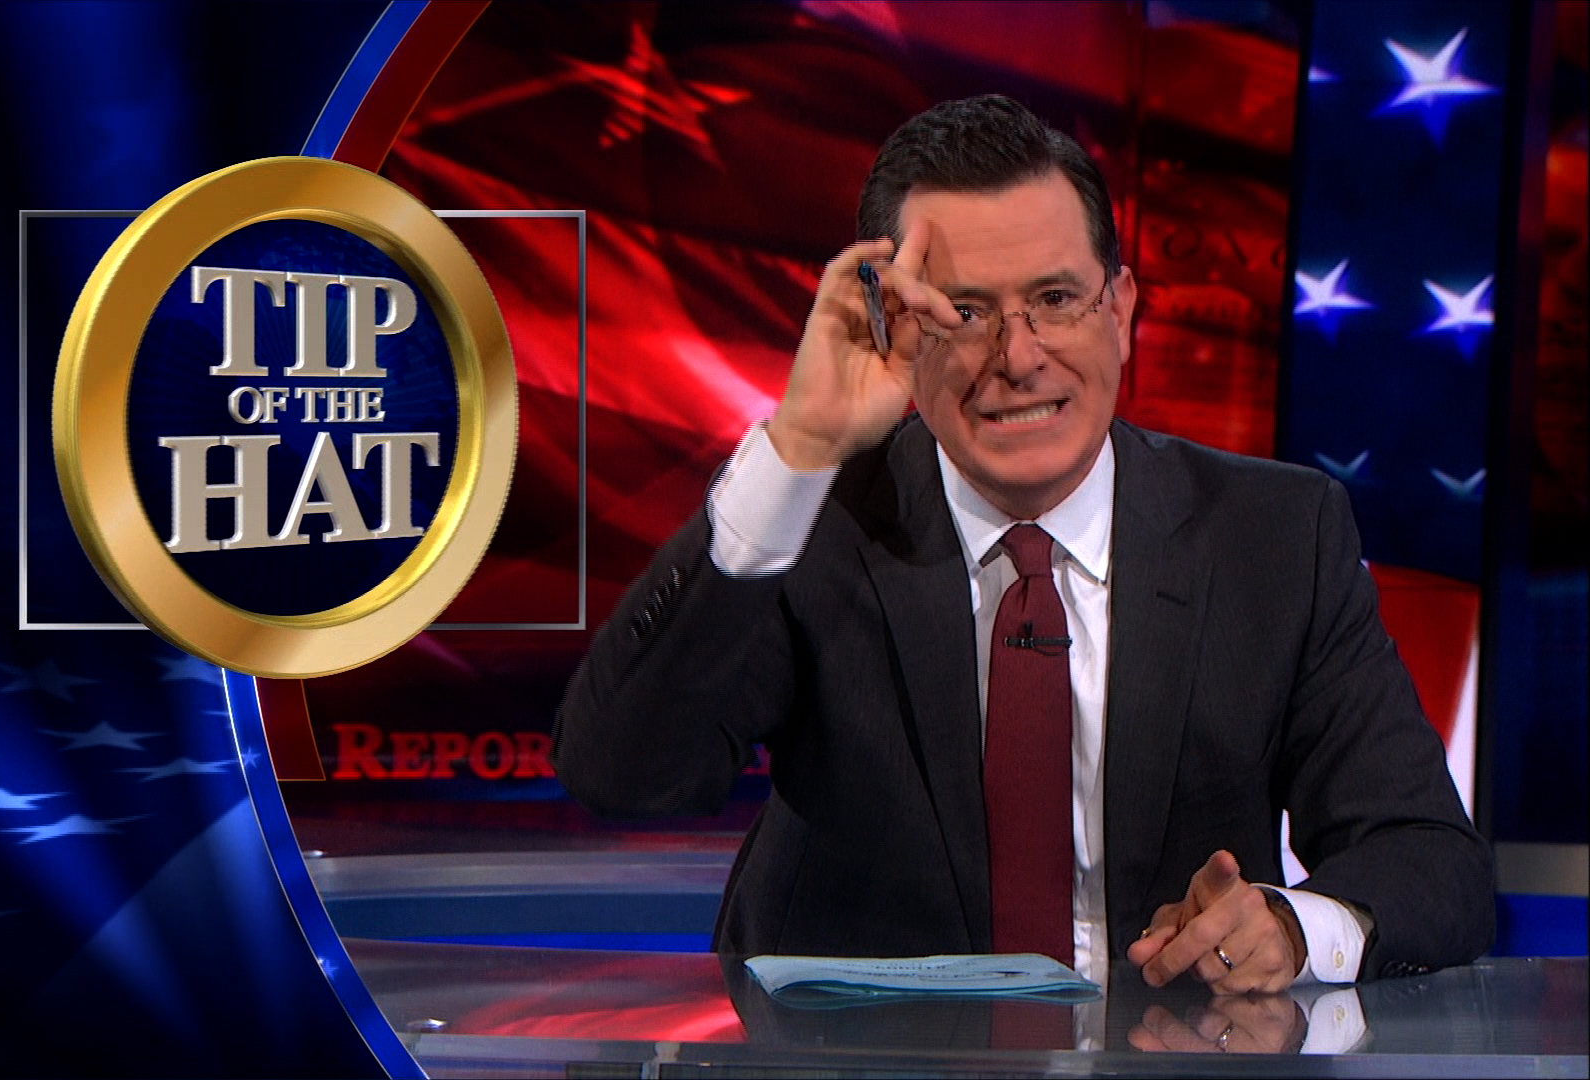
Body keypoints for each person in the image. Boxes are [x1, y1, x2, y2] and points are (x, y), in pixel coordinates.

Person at [553, 95, 1493, 992]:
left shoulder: (1276, 537)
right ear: (890, 327)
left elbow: (1430, 860)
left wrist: (1289, 928)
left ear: (1121, 310)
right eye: (962, 312)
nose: (1019, 357)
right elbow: (620, 771)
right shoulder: (818, 524)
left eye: (1055, 298)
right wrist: (799, 446)